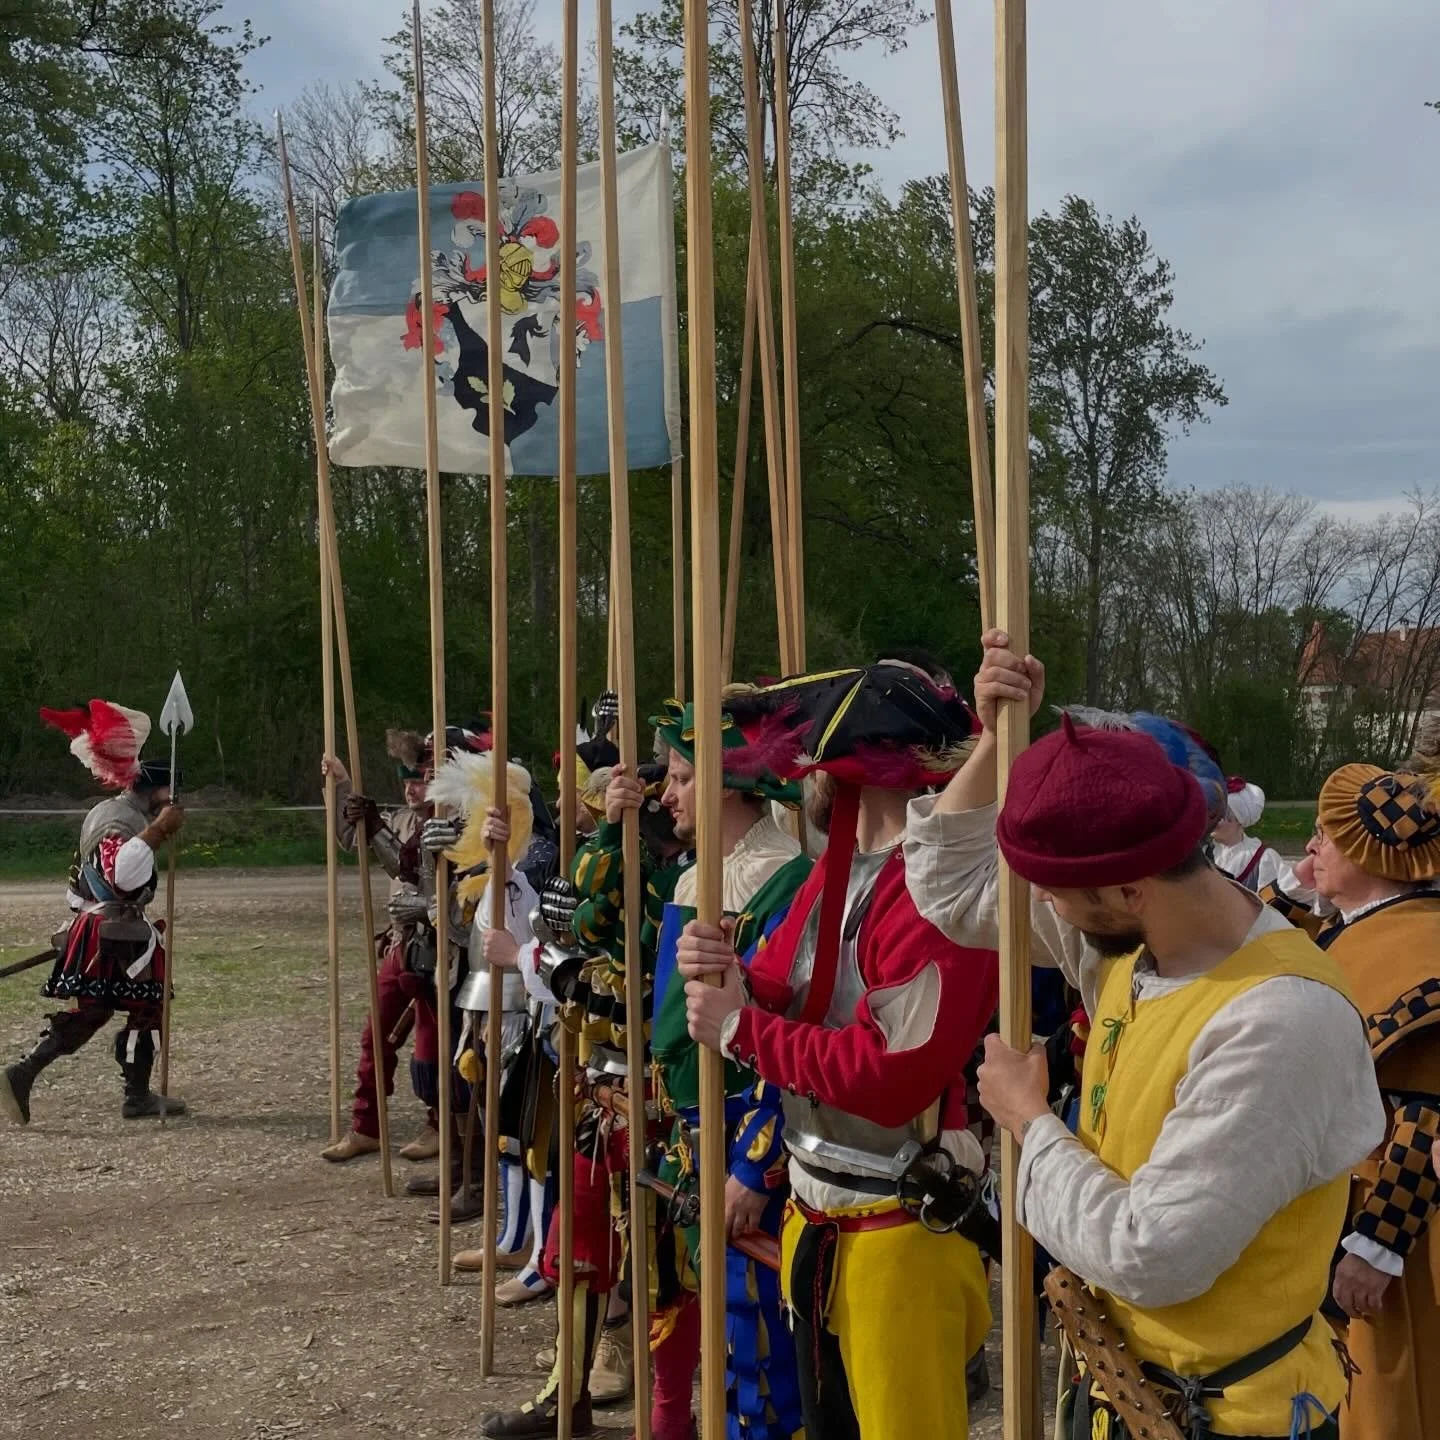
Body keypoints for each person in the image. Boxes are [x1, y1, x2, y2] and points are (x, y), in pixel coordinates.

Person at [905, 630, 1385, 1440]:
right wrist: (993, 738)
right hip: (1125, 1389)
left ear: (1128, 888)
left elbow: (1154, 1256)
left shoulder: (1277, 1019)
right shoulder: (1128, 938)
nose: (1044, 908)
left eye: (1055, 894)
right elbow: (945, 885)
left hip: (1234, 1421)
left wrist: (1028, 1122)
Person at [679, 662, 998, 1440]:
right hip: (817, 1209)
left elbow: (891, 1076)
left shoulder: (939, 895)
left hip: (900, 1227)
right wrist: (718, 969)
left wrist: (738, 1026)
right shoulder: (838, 868)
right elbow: (781, 986)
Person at [1294, 756, 1440, 1440]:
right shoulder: (1358, 926)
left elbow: (1424, 1110)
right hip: (1334, 1210)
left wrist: (1378, 1244)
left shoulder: (1416, 948)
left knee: (1389, 1401)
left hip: (1396, 1233)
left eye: (1326, 835)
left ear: (1367, 850)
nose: (1312, 847)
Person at [4, 700, 187, 1124]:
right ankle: (128, 1096)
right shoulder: (118, 818)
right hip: (109, 931)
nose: (174, 804)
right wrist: (159, 830)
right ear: (158, 792)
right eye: (171, 795)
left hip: (109, 928)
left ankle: (28, 1075)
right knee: (135, 1007)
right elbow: (119, 874)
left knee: (112, 1009)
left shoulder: (124, 814)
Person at [1212, 778, 1285, 893]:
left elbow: (1271, 908)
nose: (1213, 820)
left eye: (1222, 815)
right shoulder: (1204, 852)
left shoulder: (1263, 859)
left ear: (1239, 819)